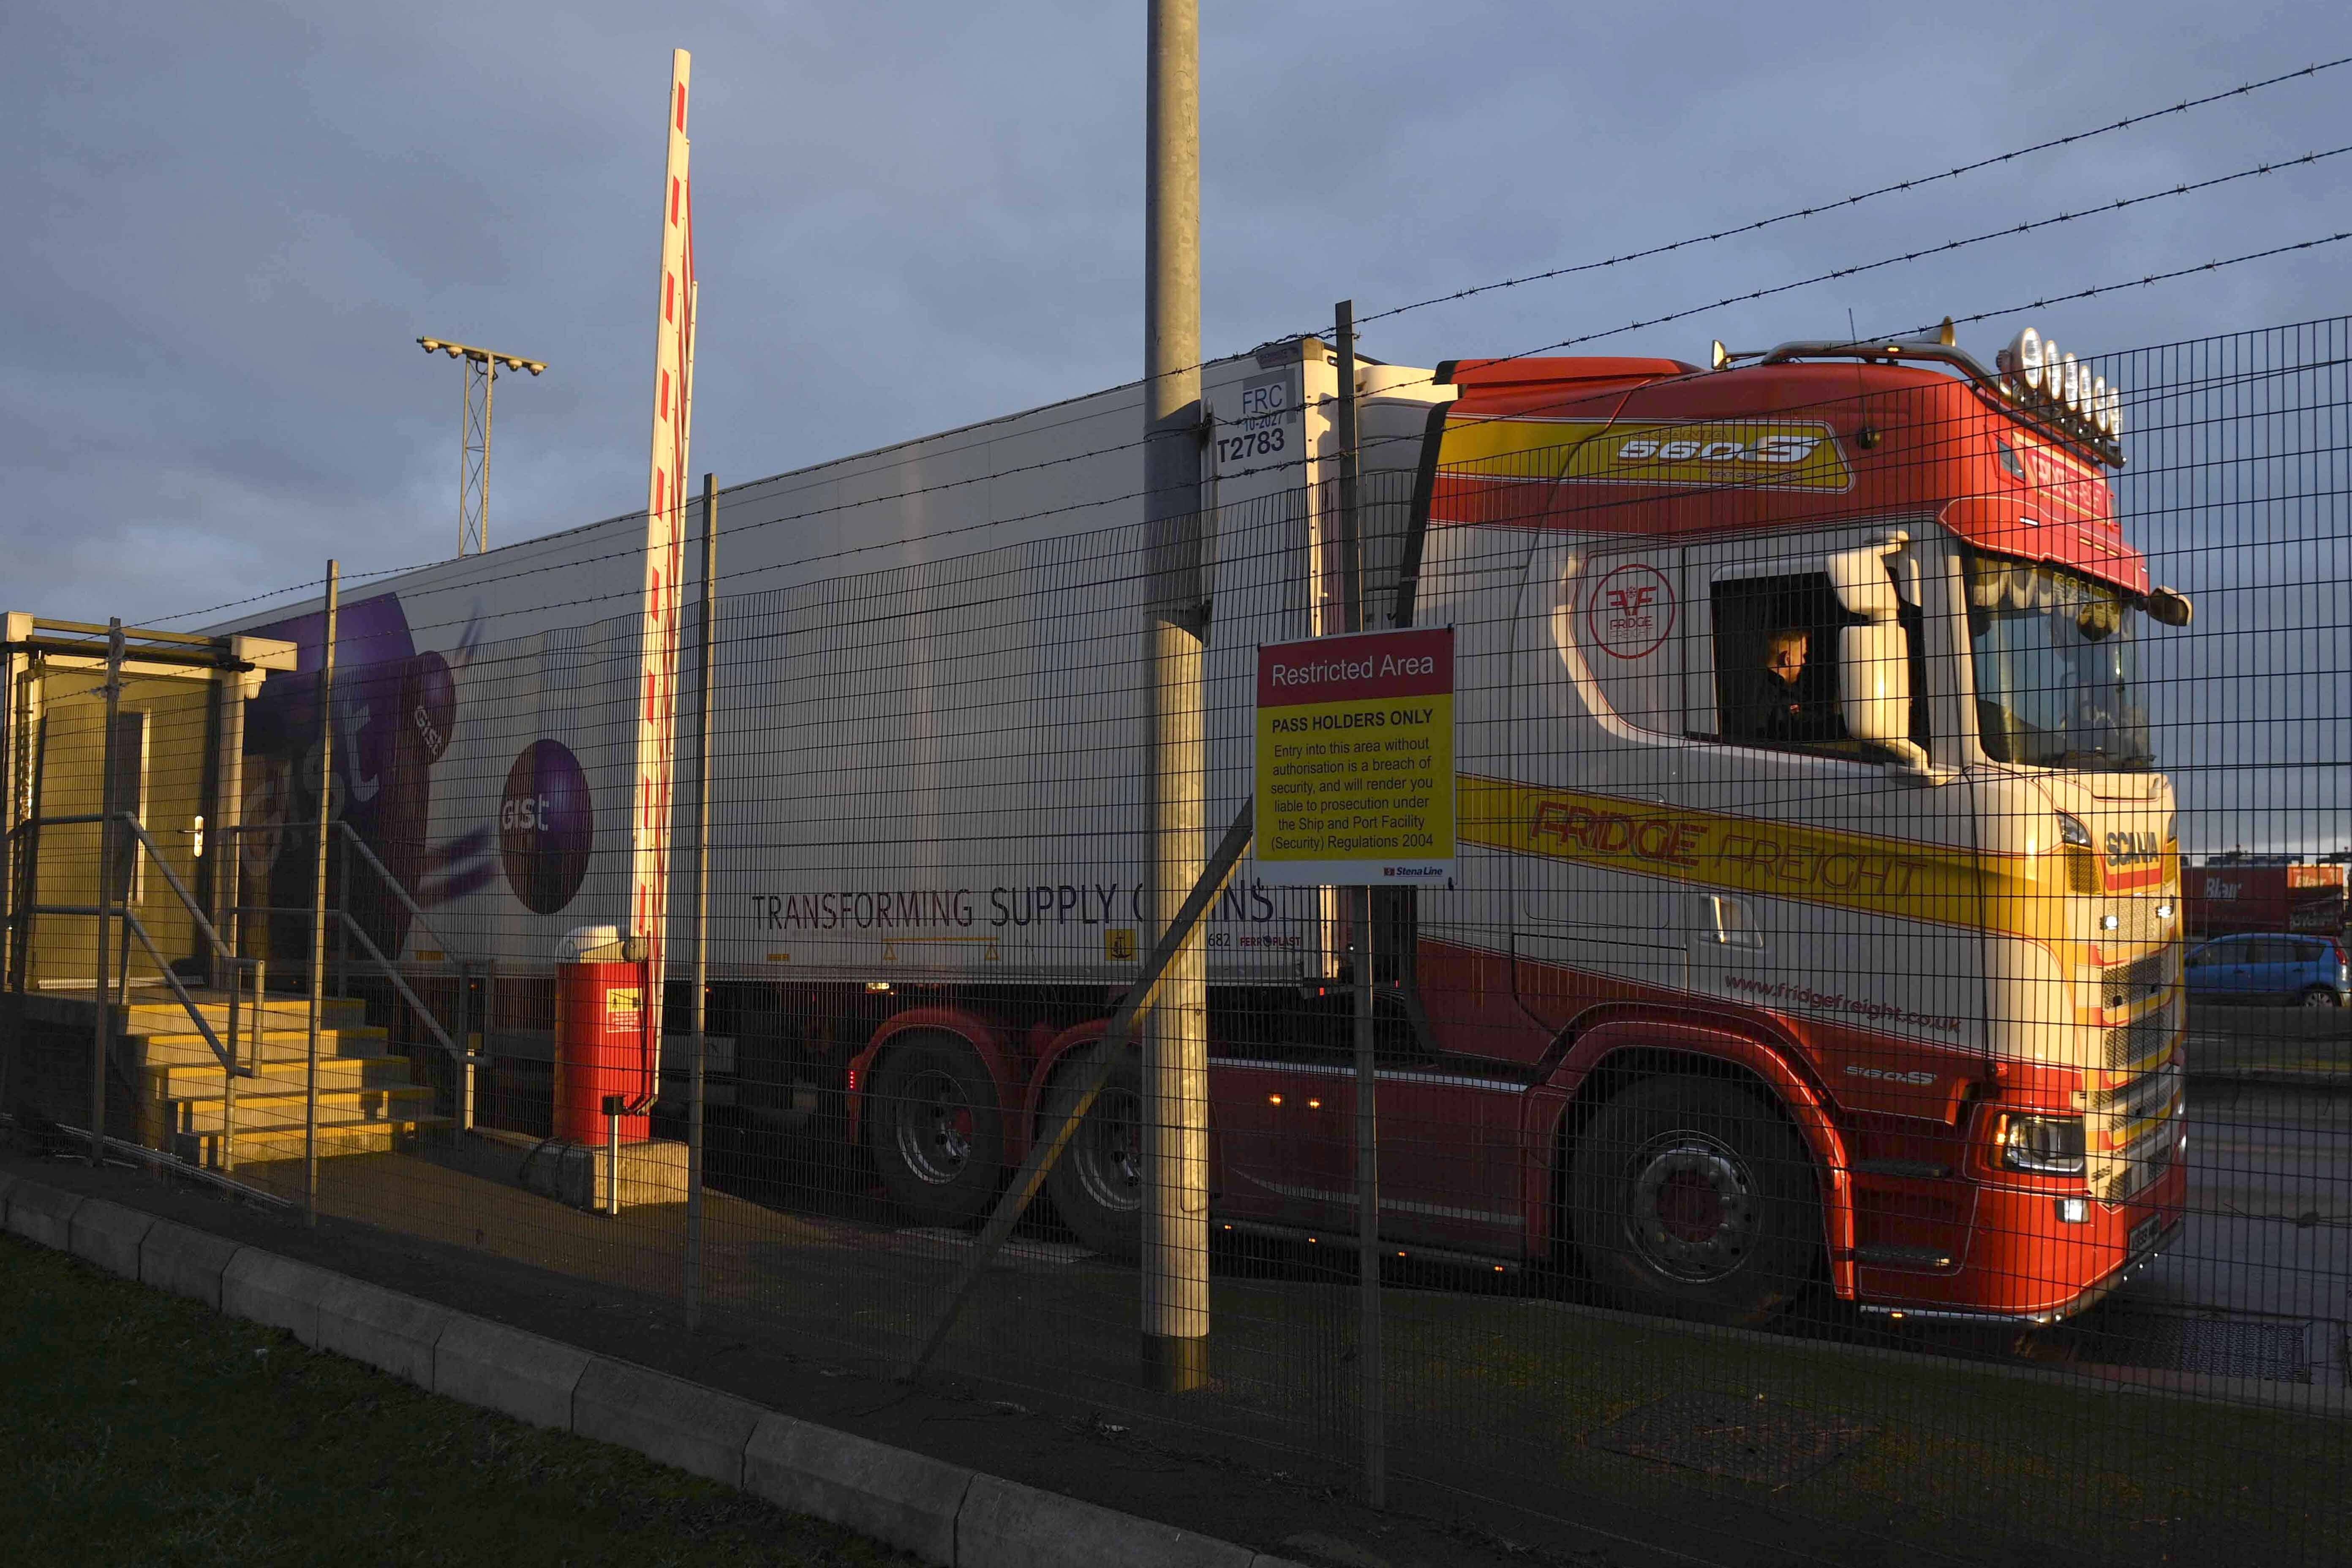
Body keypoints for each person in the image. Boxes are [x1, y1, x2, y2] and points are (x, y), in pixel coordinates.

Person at [1729, 625, 1839, 743]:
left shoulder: (1766, 689)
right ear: (1788, 659)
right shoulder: (1767, 694)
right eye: (1802, 655)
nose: (1804, 661)